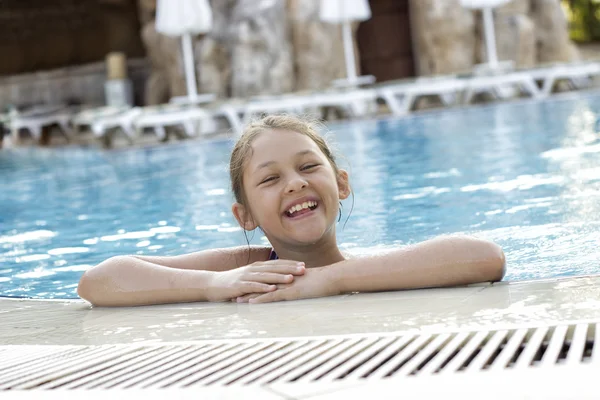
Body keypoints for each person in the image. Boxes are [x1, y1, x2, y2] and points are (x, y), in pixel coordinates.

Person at [77, 115, 505, 307]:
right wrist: (211, 284)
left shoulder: (371, 268)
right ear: (245, 217)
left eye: (307, 167)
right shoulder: (248, 267)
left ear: (341, 183)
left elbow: (485, 256)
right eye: (269, 179)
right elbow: (97, 281)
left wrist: (331, 279)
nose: (295, 183)